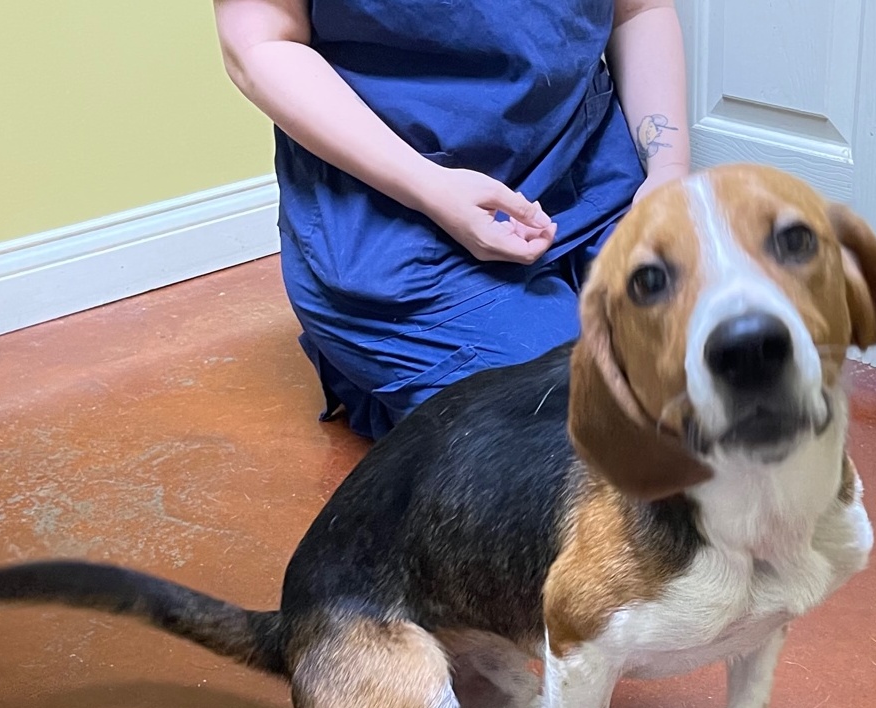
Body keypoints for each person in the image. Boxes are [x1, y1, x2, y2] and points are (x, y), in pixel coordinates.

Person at [214, 0, 690, 439]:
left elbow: (639, 8)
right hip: (395, 222)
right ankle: (394, 365)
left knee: (724, 384)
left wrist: (668, 171)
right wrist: (431, 187)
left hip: (592, 176)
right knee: (592, 432)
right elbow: (260, 41)